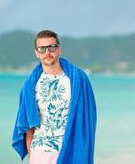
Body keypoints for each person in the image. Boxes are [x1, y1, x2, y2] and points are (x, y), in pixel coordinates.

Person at [12, 30, 97, 164]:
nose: (47, 53)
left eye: (51, 47)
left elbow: (88, 119)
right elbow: (28, 126)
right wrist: (32, 156)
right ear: (37, 53)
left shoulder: (78, 80)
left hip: (70, 151)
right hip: (40, 153)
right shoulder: (30, 86)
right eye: (42, 48)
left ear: (58, 49)